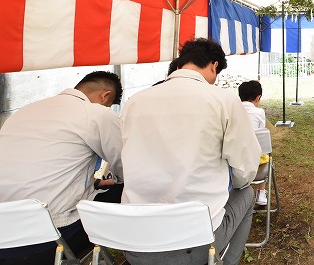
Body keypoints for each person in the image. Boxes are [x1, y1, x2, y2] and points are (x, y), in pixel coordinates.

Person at [120, 38, 260, 265]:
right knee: (246, 193)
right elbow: (246, 166)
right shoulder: (222, 100)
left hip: (135, 242)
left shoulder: (134, 102)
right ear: (214, 65)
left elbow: (123, 159)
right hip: (196, 242)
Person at [0, 71, 124, 264]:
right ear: (105, 96)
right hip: (49, 237)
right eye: (109, 106)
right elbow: (127, 166)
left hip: (5, 232)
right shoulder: (94, 113)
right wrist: (117, 180)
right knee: (125, 189)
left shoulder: (25, 110)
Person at [238, 80, 270, 206]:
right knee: (264, 153)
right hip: (256, 159)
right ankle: (261, 193)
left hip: (235, 158)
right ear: (258, 97)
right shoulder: (259, 112)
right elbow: (261, 133)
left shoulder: (233, 111)